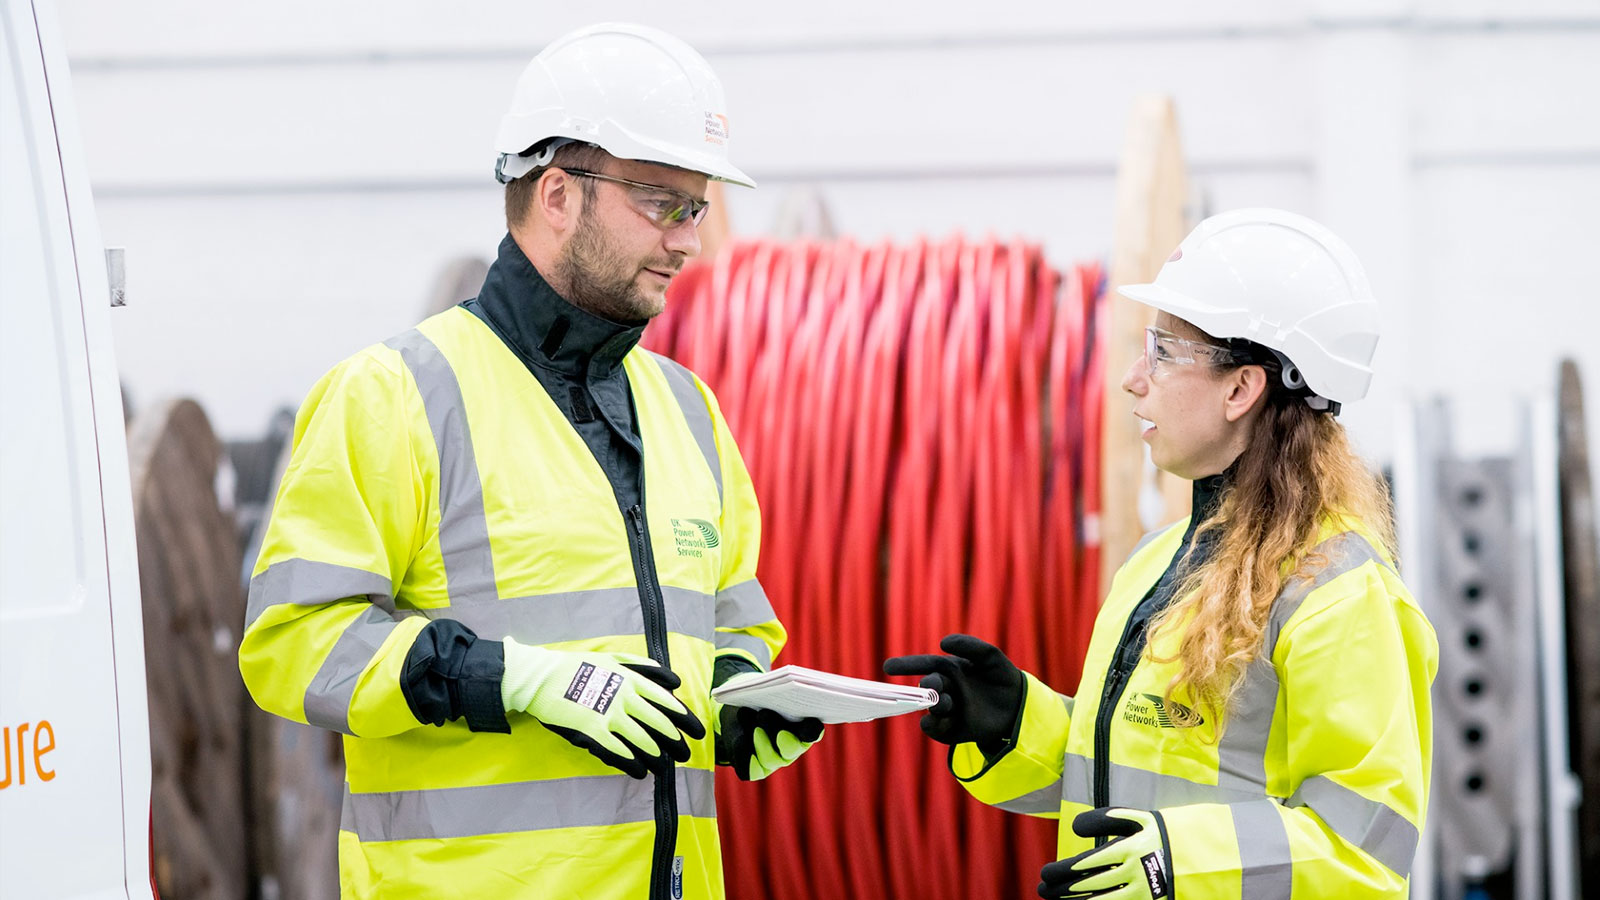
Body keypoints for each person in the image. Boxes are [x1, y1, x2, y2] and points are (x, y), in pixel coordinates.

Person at [239, 22, 822, 900]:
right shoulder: (394, 395)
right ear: (558, 194)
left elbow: (735, 620)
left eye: (695, 207)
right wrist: (507, 677)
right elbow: (291, 645)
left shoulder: (689, 411)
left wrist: (743, 697)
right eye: (663, 203)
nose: (689, 241)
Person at [885, 208, 1438, 899]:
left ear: (1242, 388)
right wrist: (1016, 724)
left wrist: (1177, 865)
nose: (1132, 378)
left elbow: (1364, 853)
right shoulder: (1158, 562)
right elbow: (1130, 778)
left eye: (1165, 353)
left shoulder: (1341, 593)